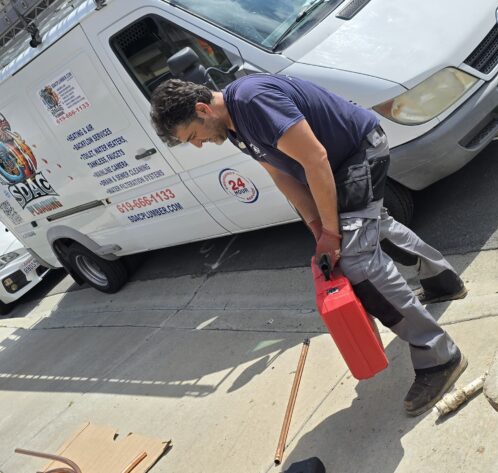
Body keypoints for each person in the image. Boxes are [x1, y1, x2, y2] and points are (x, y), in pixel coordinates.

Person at [149, 75, 468, 416]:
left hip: (358, 152)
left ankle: (440, 356)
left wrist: (333, 234)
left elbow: (315, 158)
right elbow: (281, 175)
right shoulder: (232, 126)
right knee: (376, 227)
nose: (198, 145)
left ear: (202, 109)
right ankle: (443, 282)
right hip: (338, 165)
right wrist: (318, 229)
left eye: (193, 137)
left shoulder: (252, 102)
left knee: (357, 261)